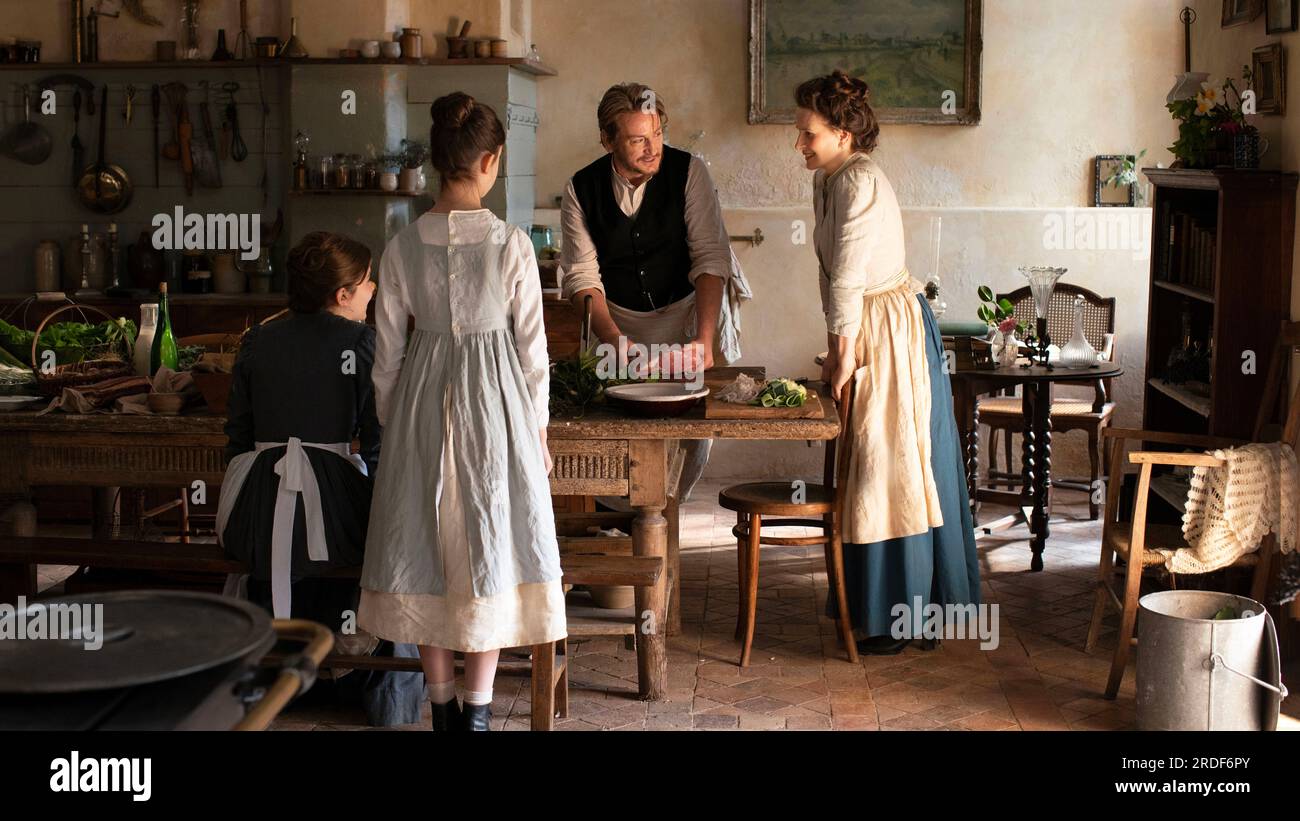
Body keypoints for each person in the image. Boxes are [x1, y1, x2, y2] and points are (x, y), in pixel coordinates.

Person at [358, 92, 566, 731]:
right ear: (489, 160)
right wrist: (536, 433)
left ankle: (442, 705)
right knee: (491, 542)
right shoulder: (510, 245)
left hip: (420, 402)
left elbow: (385, 357)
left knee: (424, 547)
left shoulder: (400, 246)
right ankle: (476, 713)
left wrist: (397, 429)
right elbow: (534, 355)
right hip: (495, 407)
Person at [794, 70, 980, 654]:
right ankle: (880, 605)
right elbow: (834, 279)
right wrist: (839, 347)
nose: (799, 144)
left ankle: (909, 617)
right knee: (875, 467)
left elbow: (848, 278)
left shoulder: (859, 182)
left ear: (844, 134)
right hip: (866, 324)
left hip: (888, 330)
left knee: (892, 468)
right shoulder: (830, 178)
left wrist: (843, 356)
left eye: (809, 134)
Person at [218, 231, 423, 726]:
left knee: (288, 545)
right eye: (368, 282)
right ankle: (376, 689)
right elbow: (378, 442)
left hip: (255, 510)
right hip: (330, 512)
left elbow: (238, 438)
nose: (374, 289)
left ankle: (276, 675)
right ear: (343, 295)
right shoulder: (360, 341)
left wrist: (250, 500)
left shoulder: (257, 338)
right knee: (394, 540)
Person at [559, 82, 734, 503]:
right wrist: (616, 342)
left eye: (657, 135)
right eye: (638, 139)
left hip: (684, 316)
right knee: (611, 428)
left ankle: (661, 524)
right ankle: (626, 526)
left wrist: (704, 340)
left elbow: (710, 259)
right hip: (615, 321)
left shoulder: (689, 172)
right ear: (607, 139)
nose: (652, 148)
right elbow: (583, 277)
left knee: (688, 435)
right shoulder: (581, 188)